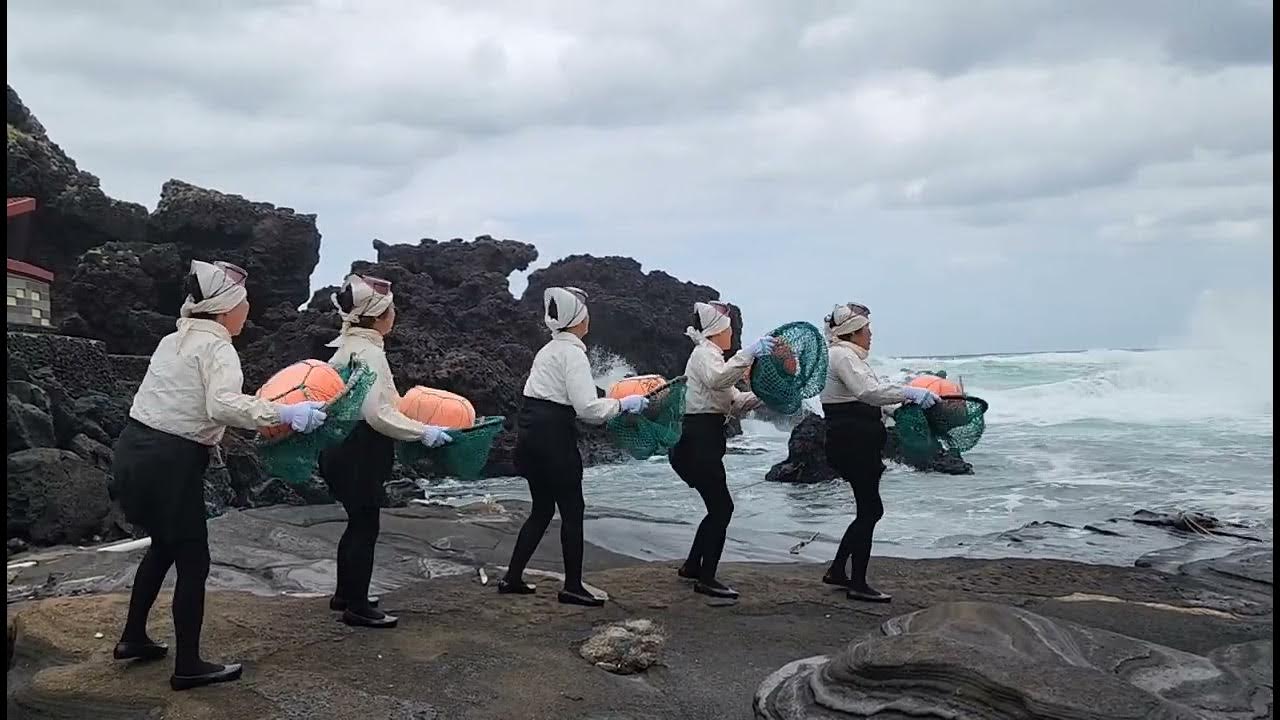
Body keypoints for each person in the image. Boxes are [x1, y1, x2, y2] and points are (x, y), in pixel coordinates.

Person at [110, 260, 328, 691]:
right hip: (172, 460)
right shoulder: (219, 347)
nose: (248, 311)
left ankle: (133, 637)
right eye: (244, 303)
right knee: (195, 560)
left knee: (162, 546)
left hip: (133, 448)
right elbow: (222, 405)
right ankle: (188, 665)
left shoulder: (172, 340)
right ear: (228, 309)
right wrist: (286, 413)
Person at [498, 287, 649, 606]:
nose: (589, 317)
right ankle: (573, 587)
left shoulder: (547, 351)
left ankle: (512, 578)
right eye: (585, 312)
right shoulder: (574, 354)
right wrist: (624, 404)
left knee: (540, 509)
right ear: (579, 319)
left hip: (529, 437)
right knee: (572, 511)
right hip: (554, 440)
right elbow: (588, 410)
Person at [318, 273, 454, 629]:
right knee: (366, 526)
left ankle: (345, 594)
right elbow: (376, 413)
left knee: (356, 522)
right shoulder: (370, 353)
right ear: (380, 316)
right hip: (361, 450)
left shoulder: (345, 347)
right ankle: (358, 607)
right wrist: (423, 432)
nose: (395, 315)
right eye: (392, 310)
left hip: (337, 448)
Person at [819, 302, 939, 603]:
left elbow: (866, 399)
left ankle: (837, 570)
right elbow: (865, 393)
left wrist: (894, 407)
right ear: (853, 333)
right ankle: (857, 583)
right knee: (871, 511)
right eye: (866, 330)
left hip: (856, 441)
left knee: (868, 510)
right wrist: (909, 391)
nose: (871, 335)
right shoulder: (842, 356)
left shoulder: (848, 356)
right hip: (852, 443)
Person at [668, 301, 776, 600]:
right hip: (697, 440)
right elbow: (719, 379)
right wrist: (749, 352)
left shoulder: (713, 357)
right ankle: (707, 578)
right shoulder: (704, 355)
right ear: (717, 331)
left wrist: (764, 395)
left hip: (704, 439)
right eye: (728, 328)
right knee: (722, 508)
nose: (731, 333)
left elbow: (734, 400)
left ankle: (693, 566)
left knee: (717, 508)